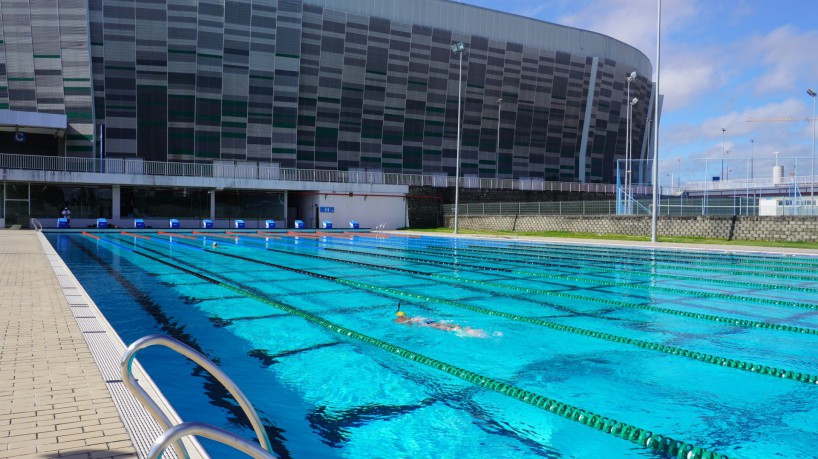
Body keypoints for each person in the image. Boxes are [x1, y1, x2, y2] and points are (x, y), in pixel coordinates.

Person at [394, 303, 494, 338]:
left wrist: (415, 328)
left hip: (424, 322)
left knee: (439, 327)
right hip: (426, 319)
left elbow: (409, 326)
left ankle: (457, 330)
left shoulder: (400, 320)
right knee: (440, 324)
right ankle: (461, 327)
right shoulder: (410, 317)